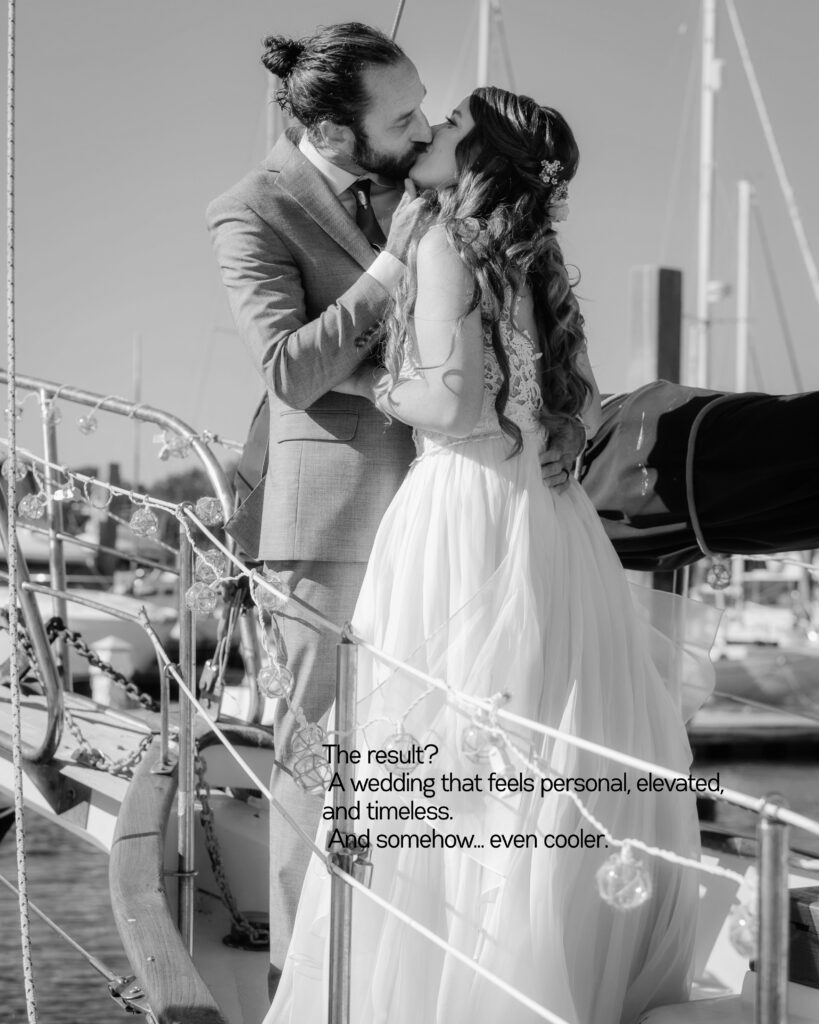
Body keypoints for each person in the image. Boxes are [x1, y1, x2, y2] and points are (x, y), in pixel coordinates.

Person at [265, 88, 713, 1024]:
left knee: (440, 744)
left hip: (462, 505)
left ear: (478, 160)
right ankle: (543, 962)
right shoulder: (532, 258)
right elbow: (579, 408)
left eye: (451, 127)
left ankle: (449, 982)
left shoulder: (439, 243)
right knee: (535, 737)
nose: (429, 133)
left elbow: (450, 404)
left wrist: (381, 383)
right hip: (546, 516)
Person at [206, 23, 580, 993]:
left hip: (449, 515)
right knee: (316, 764)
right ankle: (305, 981)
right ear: (333, 132)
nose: (422, 129)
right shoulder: (250, 211)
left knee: (429, 762)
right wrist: (386, 274)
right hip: (330, 529)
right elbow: (289, 370)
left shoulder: (420, 175)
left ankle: (409, 977)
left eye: (424, 108)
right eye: (403, 115)